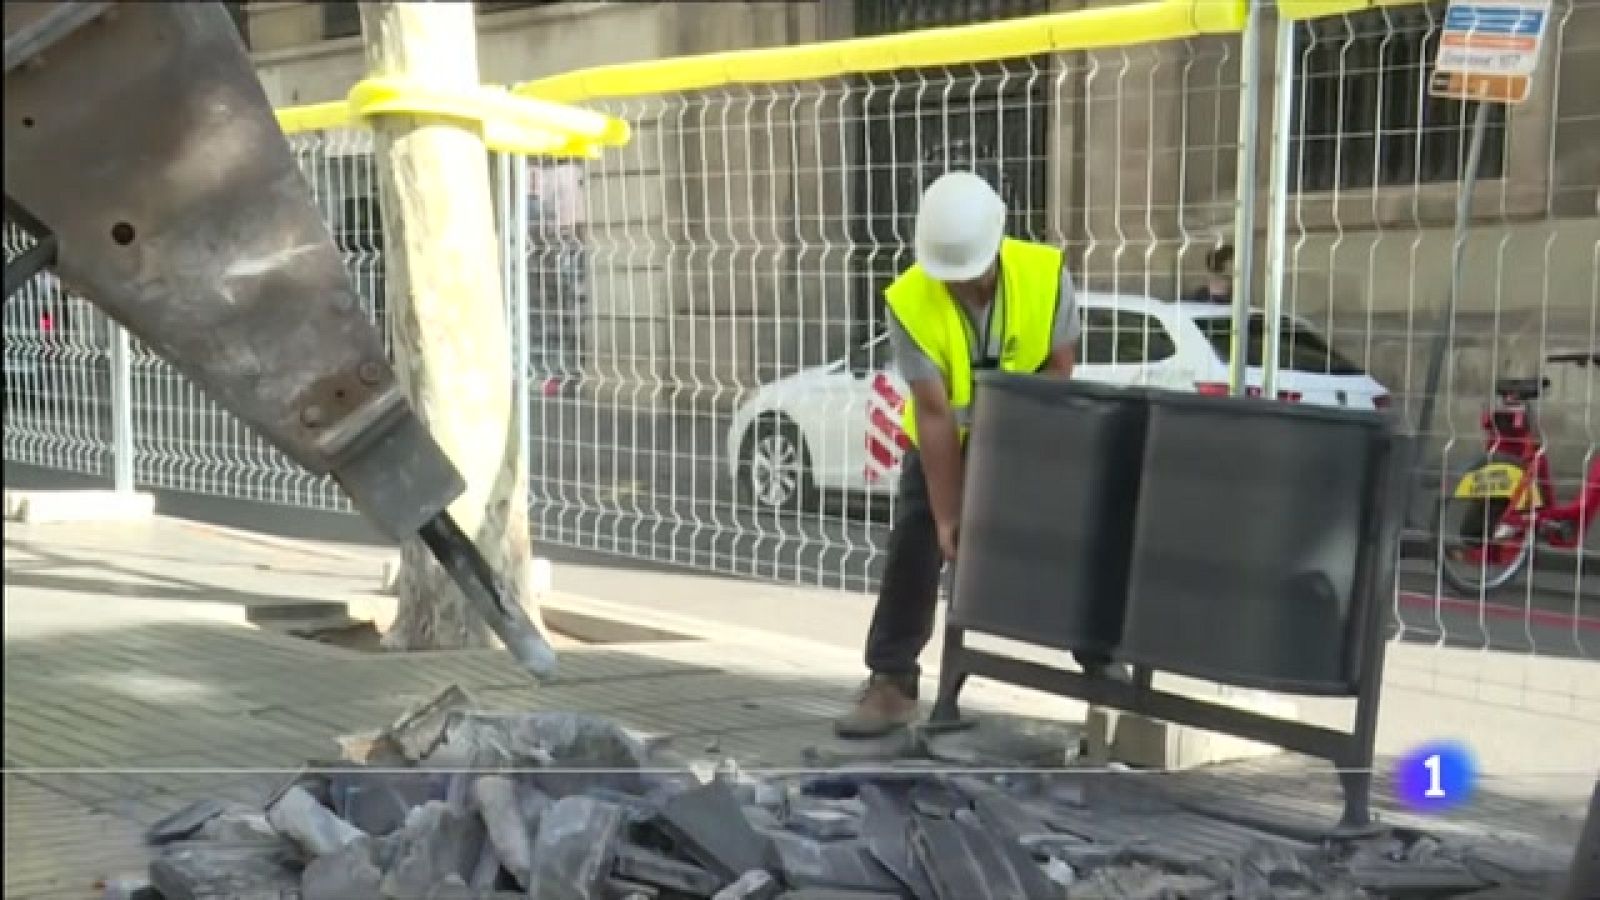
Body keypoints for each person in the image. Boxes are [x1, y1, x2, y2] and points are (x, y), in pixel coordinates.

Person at [834, 171, 1119, 739]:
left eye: (974, 272)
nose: (966, 285)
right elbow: (934, 412)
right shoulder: (909, 300)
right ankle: (892, 680)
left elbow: (1058, 371)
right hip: (946, 440)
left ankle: (1104, 664)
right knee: (918, 534)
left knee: (1075, 531)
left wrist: (1015, 459)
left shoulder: (1044, 273)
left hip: (1031, 428)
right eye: (953, 276)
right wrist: (949, 514)